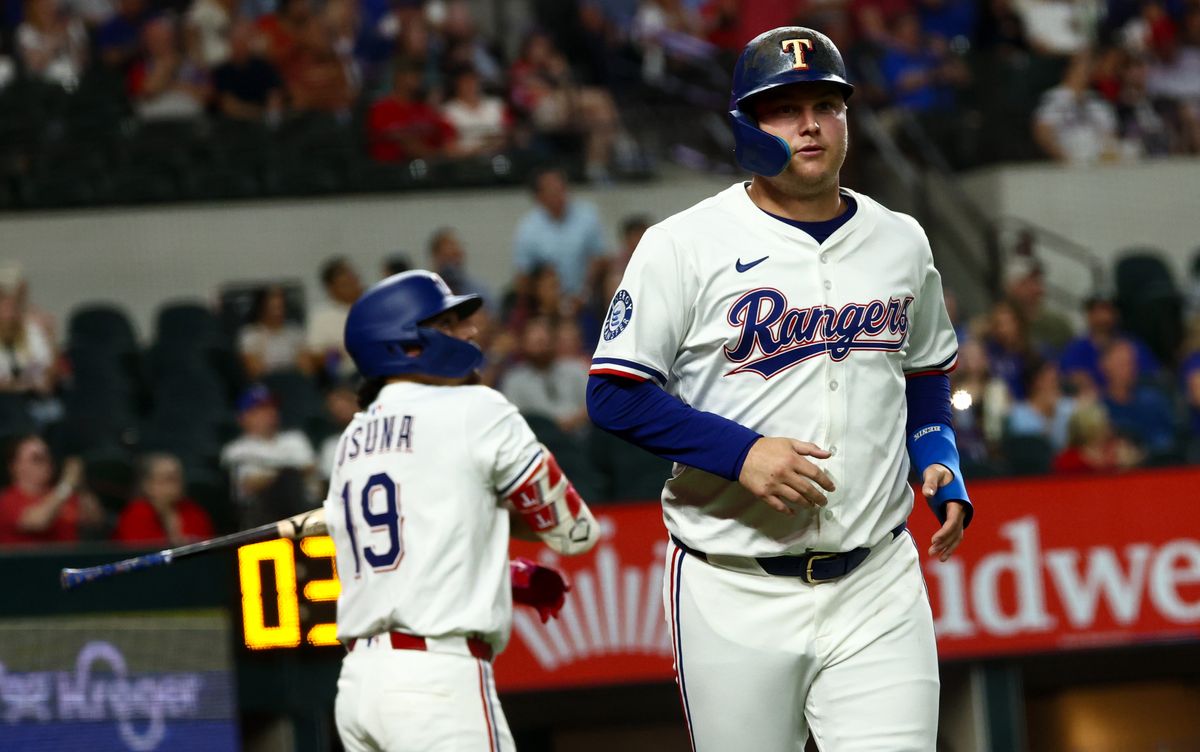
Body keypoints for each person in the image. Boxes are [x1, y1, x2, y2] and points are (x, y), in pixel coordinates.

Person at [586, 28, 971, 750]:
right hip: (734, 580)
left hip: (877, 579)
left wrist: (936, 454)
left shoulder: (901, 239)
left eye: (826, 105)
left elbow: (924, 371)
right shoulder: (683, 243)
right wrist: (743, 453)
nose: (808, 124)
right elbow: (613, 393)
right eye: (782, 108)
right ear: (745, 127)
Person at [324, 270, 599, 751]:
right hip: (437, 684)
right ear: (408, 344)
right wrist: (494, 516)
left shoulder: (352, 437)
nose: (471, 332)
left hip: (357, 688)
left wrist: (494, 563)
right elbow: (573, 531)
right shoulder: (477, 409)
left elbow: (418, 539)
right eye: (450, 324)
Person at [220, 384, 316, 527]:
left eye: (271, 407)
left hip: (305, 507)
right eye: (260, 409)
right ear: (243, 417)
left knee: (290, 480)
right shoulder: (236, 449)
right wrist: (285, 472)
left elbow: (310, 467)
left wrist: (275, 473)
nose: (270, 413)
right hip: (262, 516)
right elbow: (250, 483)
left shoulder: (294, 439)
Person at [512, 166, 610, 306]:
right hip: (546, 303)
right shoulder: (528, 228)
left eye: (561, 187)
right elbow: (523, 275)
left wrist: (584, 294)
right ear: (538, 196)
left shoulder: (588, 215)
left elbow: (600, 258)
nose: (559, 193)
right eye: (552, 189)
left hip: (588, 298)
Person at [0, 435, 100, 545]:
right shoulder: (7, 500)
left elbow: (95, 521)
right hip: (31, 561)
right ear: (14, 466)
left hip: (69, 560)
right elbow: (38, 523)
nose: (47, 462)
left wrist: (79, 484)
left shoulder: (63, 494)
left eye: (48, 456)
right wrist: (66, 484)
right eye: (37, 458)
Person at [500, 316, 590, 436]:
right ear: (523, 345)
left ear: (553, 342)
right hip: (540, 441)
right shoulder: (514, 379)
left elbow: (593, 405)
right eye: (535, 343)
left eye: (544, 342)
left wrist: (573, 421)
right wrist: (551, 427)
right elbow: (513, 419)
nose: (541, 348)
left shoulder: (575, 369)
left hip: (580, 440)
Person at [113, 453, 214, 546]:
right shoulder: (136, 514)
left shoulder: (193, 511)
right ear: (148, 484)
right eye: (168, 478)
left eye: (178, 477)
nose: (176, 484)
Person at [307, 256, 364, 379]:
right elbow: (315, 355)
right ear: (331, 288)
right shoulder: (322, 317)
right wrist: (334, 355)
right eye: (346, 284)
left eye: (354, 281)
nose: (354, 286)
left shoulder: (372, 306)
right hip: (346, 376)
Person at [238, 285, 309, 380]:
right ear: (262, 307)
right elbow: (254, 371)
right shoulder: (249, 334)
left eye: (280, 306)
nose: (278, 312)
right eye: (273, 307)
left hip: (294, 381)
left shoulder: (294, 331)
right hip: (266, 384)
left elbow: (307, 368)